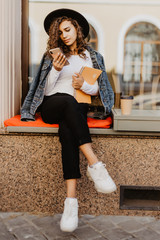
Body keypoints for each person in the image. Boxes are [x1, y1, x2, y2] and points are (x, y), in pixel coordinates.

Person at [21, 8, 116, 232]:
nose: (64, 35)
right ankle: (95, 164)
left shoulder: (91, 57)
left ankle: (70, 203)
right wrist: (55, 70)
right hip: (53, 104)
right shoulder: (52, 57)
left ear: (77, 29)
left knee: (68, 134)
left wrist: (81, 85)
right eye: (60, 32)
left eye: (68, 29)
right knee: (65, 100)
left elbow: (95, 90)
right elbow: (44, 92)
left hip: (77, 109)